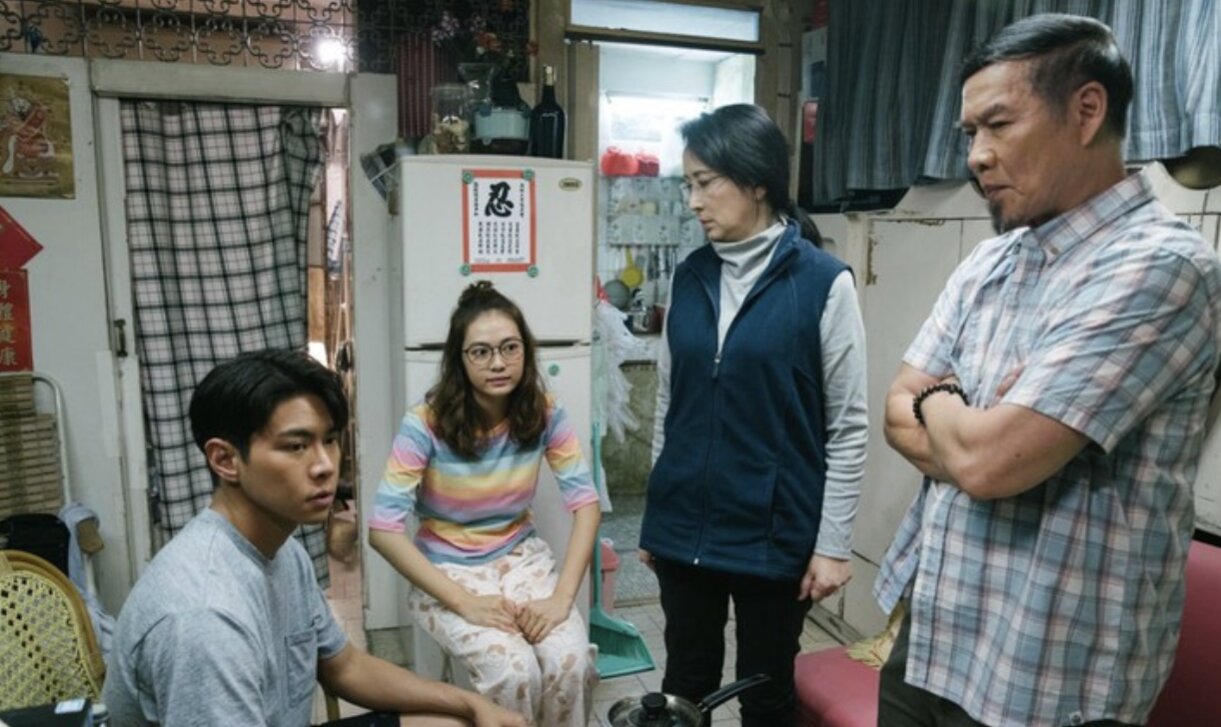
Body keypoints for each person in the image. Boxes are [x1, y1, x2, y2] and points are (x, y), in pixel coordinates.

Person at [876, 14, 1221, 727]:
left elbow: (989, 462)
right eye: (969, 133)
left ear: (1087, 110)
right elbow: (894, 407)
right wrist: (968, 421)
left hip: (1049, 676)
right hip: (934, 634)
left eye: (998, 124)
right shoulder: (991, 260)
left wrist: (941, 401)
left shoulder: (1160, 267)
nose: (977, 155)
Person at [103, 349, 525, 727]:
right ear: (225, 460)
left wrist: (469, 702)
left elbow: (345, 667)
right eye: (296, 446)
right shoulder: (205, 617)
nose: (325, 466)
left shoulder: (283, 550)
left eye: (330, 440)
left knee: (454, 723)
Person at [639, 104, 868, 727]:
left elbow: (847, 428)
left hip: (774, 531)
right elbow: (669, 403)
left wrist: (833, 545)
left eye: (705, 182)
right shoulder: (689, 278)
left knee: (766, 694)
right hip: (684, 525)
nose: (693, 201)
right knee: (684, 686)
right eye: (687, 184)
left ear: (757, 181)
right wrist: (660, 510)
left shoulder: (824, 283)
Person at [369, 282, 601, 727]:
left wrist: (561, 599)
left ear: (526, 351)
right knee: (513, 672)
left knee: (570, 661)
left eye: (510, 348)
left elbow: (586, 504)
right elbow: (382, 530)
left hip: (521, 560)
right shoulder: (425, 423)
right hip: (448, 570)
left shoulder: (545, 412)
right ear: (459, 359)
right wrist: (465, 602)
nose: (498, 363)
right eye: (480, 352)